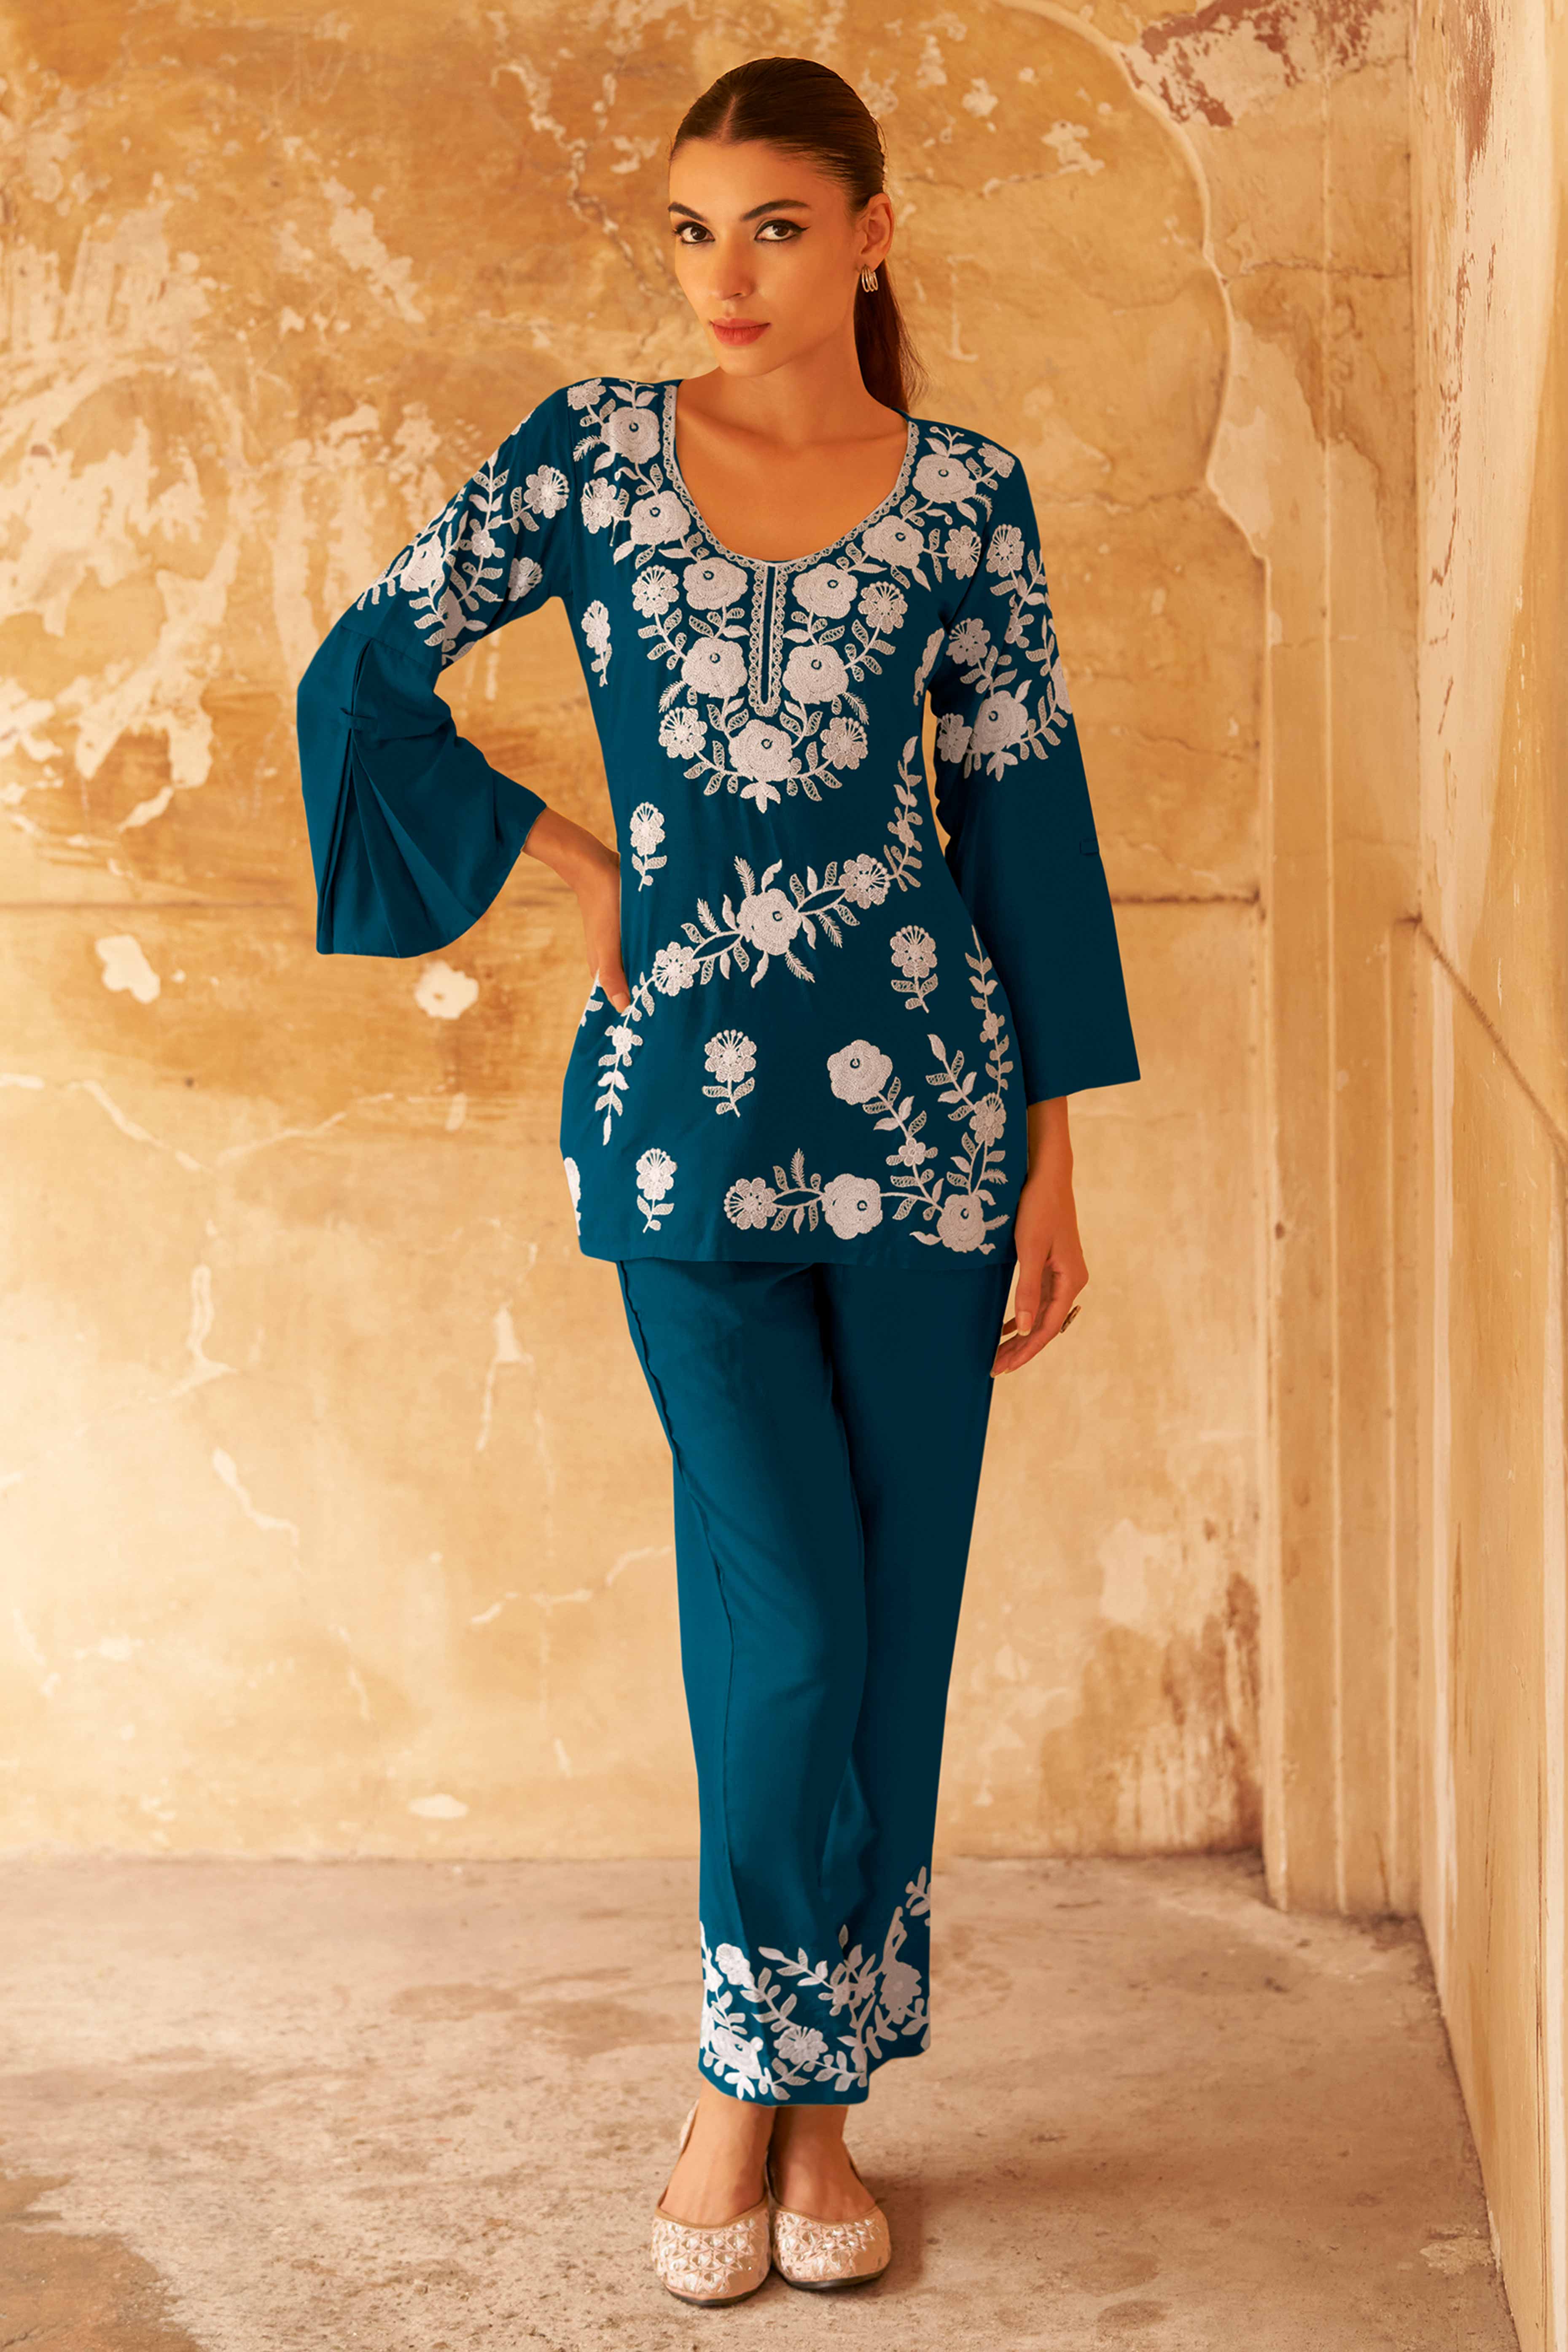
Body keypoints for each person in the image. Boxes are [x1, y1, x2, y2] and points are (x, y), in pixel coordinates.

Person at [296, 53, 1140, 2307]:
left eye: (773, 224)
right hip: (682, 1127)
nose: (725, 275)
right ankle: (732, 2086)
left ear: (871, 232)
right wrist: (575, 864)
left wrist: (1053, 1161)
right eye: (692, 229)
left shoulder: (966, 498)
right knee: (791, 1617)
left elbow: (1026, 827)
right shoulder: (587, 457)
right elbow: (365, 676)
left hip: (933, 1137)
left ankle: (823, 2118)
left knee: (891, 1621)